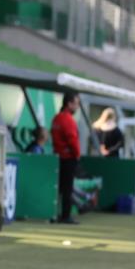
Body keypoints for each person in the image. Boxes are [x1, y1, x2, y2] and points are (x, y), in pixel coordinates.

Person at [50, 92, 81, 224]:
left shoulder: (56, 118)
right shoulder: (67, 120)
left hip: (58, 157)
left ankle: (56, 213)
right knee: (67, 188)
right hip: (68, 158)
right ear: (69, 104)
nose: (77, 107)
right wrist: (77, 154)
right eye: (76, 104)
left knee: (59, 188)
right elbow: (72, 140)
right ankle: (65, 215)